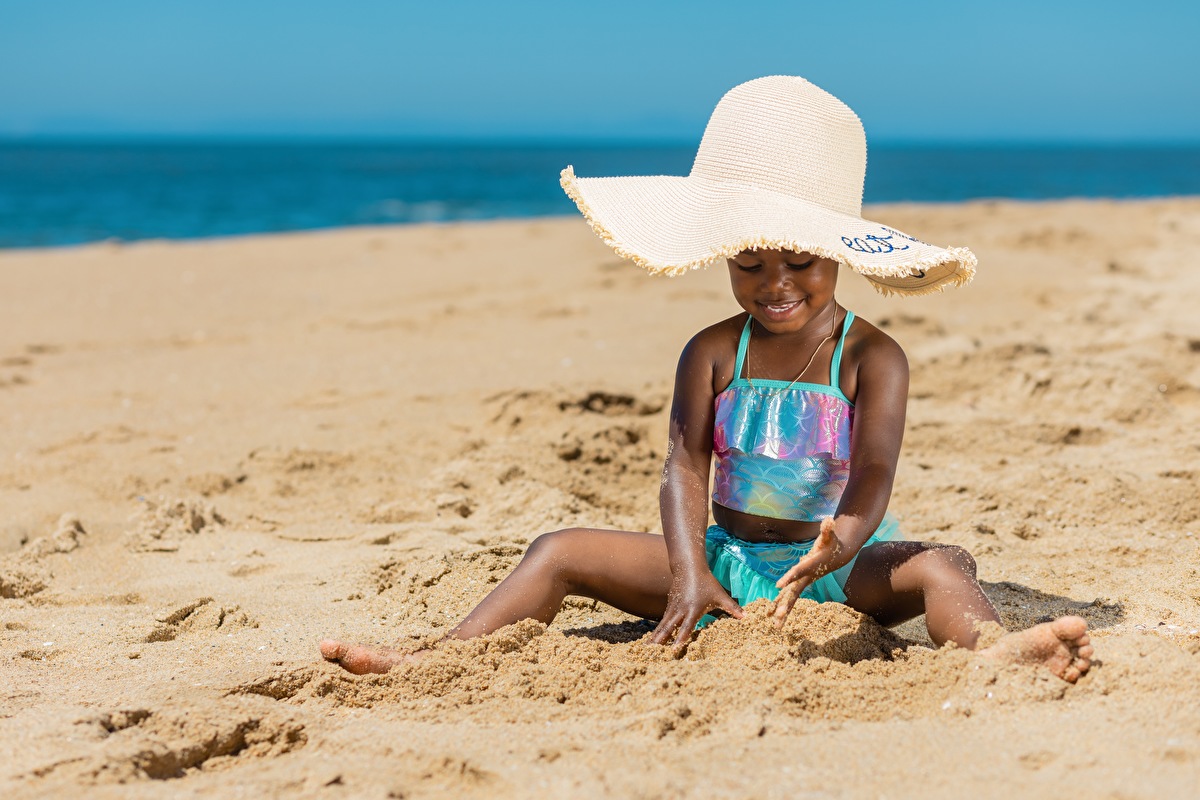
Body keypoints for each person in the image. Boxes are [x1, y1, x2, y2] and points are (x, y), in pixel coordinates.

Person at [320, 76, 1092, 682]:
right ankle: (433, 661)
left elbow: (875, 471)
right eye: (749, 262)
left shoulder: (872, 356)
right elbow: (684, 467)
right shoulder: (713, 352)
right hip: (722, 559)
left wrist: (842, 543)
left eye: (801, 261)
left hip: (832, 568)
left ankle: (1000, 652)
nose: (774, 283)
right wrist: (690, 572)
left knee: (941, 564)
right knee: (555, 549)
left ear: (837, 252)